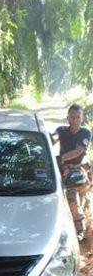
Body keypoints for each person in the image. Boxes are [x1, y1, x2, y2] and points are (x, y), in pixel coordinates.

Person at [55, 103, 91, 241]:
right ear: (67, 118)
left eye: (78, 117)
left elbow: (78, 151)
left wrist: (60, 159)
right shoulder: (61, 130)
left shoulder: (86, 133)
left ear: (82, 118)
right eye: (72, 117)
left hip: (78, 168)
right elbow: (51, 138)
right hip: (63, 167)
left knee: (71, 193)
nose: (75, 120)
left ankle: (79, 229)